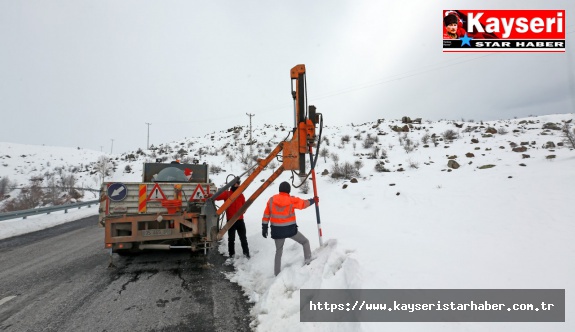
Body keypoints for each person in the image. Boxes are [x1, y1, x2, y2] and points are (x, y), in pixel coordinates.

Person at [261, 181, 317, 276]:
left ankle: (277, 274)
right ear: (288, 190)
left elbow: (266, 214)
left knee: (278, 251)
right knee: (305, 242)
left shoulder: (271, 200)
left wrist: (264, 227)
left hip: (277, 231)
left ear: (280, 189)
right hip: (290, 231)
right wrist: (313, 200)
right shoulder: (291, 200)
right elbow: (303, 204)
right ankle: (308, 262)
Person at [215, 180, 250, 259]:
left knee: (243, 238)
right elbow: (216, 197)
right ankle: (231, 255)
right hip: (231, 221)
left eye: (238, 184)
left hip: (240, 220)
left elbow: (244, 206)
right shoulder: (227, 194)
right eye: (235, 184)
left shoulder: (241, 195)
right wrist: (209, 195)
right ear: (232, 184)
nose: (236, 185)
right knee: (231, 239)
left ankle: (246, 254)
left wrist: (241, 213)